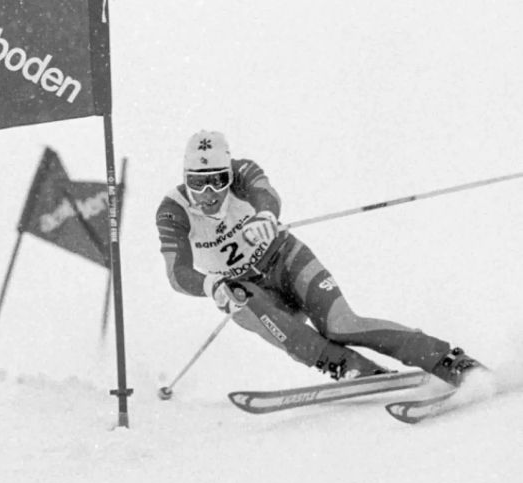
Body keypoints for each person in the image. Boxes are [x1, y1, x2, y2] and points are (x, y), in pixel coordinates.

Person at [155, 129, 484, 387]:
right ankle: (360, 373)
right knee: (294, 338)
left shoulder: (243, 172)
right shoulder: (173, 210)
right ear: (186, 179)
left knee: (342, 325)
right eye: (198, 184)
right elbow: (177, 272)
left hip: (285, 260)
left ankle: (447, 359)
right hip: (242, 288)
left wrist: (266, 216)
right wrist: (211, 285)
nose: (208, 194)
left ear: (228, 173)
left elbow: (265, 193)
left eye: (217, 181)